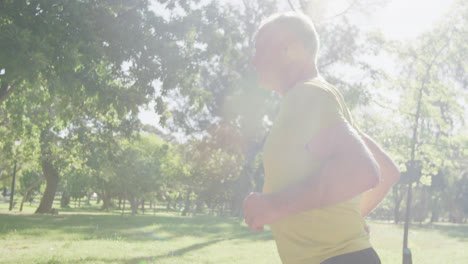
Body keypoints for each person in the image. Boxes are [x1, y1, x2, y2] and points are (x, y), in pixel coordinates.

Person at [242, 12, 400, 264]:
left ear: (289, 49)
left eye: (261, 48)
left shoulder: (307, 95)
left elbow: (363, 171)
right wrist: (348, 221)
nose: (253, 61)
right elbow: (388, 171)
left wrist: (274, 206)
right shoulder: (322, 101)